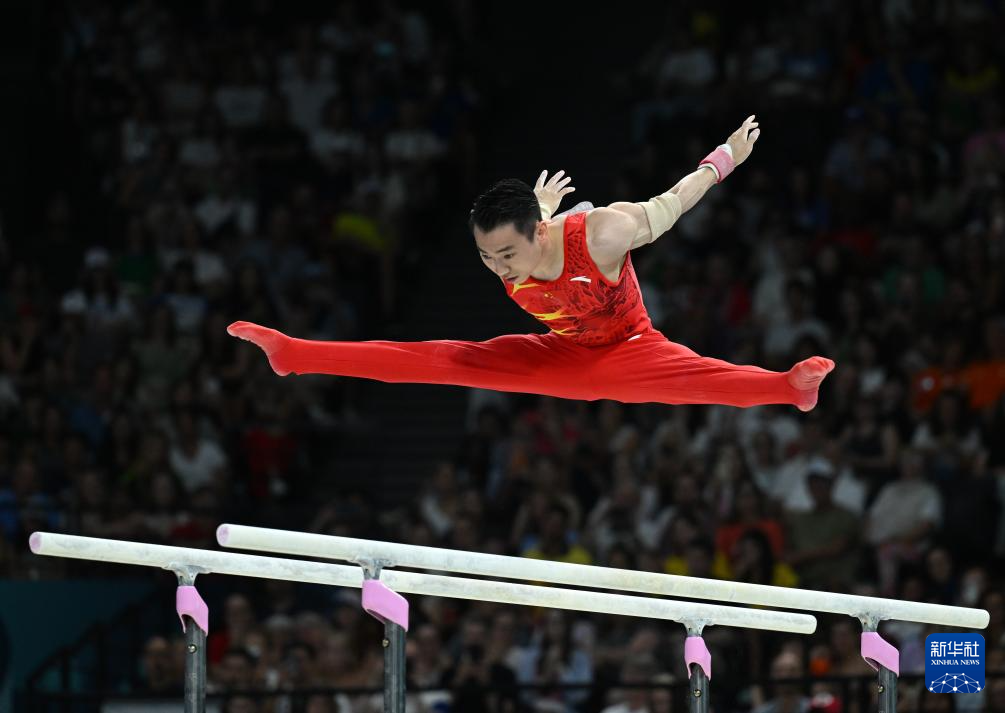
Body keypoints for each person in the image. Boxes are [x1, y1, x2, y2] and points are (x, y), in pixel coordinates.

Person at [229, 116, 834, 410]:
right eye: (486, 257)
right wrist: (537, 207)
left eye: (507, 255)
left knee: (701, 382)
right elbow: (525, 230)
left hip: (628, 348)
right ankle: (295, 353)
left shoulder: (603, 235)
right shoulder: (517, 237)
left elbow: (672, 202)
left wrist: (725, 157)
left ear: (539, 233)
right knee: (435, 360)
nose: (499, 269)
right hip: (559, 352)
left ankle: (788, 388)